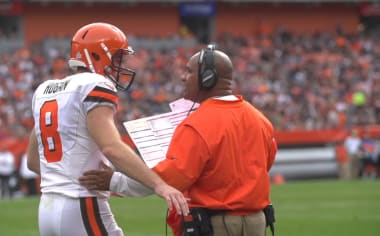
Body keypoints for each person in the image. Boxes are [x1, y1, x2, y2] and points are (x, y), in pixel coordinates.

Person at [79, 45, 278, 236]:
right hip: (256, 223)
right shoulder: (260, 119)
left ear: (207, 79)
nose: (183, 78)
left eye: (189, 72)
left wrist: (113, 181)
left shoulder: (197, 124)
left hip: (217, 225)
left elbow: (167, 179)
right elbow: (264, 164)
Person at [26, 22, 188, 236]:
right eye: (117, 57)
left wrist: (68, 176)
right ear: (95, 55)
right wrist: (159, 185)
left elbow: (32, 161)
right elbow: (111, 147)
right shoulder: (95, 84)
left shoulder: (45, 90)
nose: (120, 65)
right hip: (81, 205)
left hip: (47, 208)